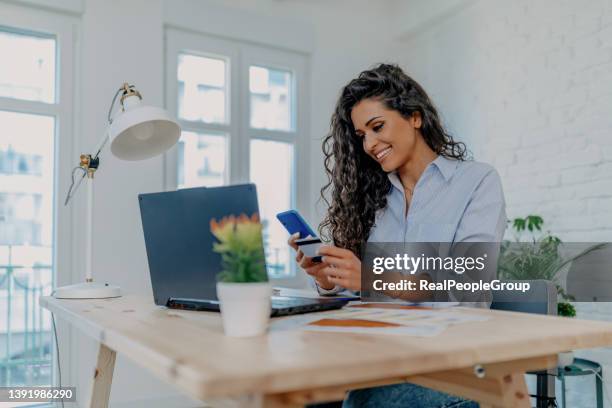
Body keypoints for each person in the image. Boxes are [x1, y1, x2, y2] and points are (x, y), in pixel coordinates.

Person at [289, 64, 506, 408]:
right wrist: (329, 278)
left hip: (453, 365)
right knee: (296, 392)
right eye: (362, 136)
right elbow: (364, 289)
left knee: (361, 403)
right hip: (380, 357)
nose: (370, 144)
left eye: (377, 127)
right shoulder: (375, 199)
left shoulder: (476, 182)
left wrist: (370, 276)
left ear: (415, 117)